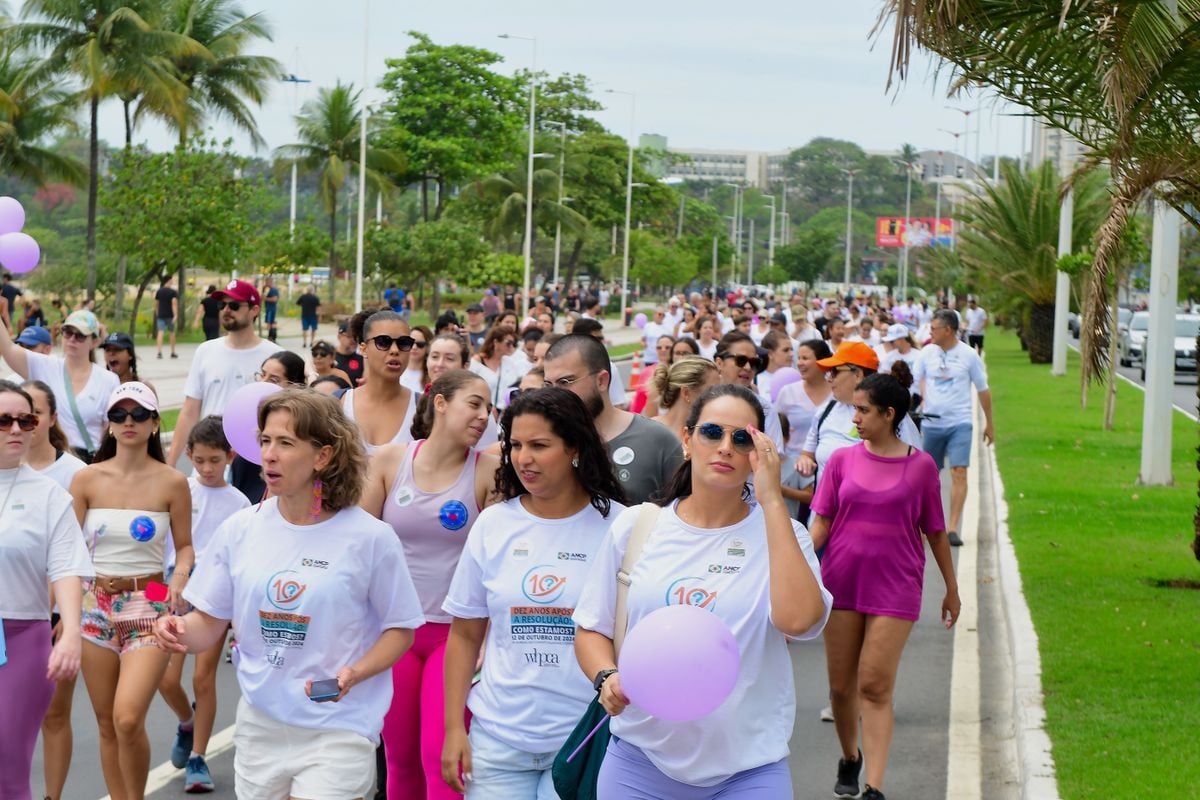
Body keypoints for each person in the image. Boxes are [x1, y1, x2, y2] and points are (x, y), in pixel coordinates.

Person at [156, 389, 424, 799]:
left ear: (323, 456)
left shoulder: (370, 538)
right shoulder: (241, 528)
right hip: (261, 723)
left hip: (338, 726)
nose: (269, 454)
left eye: (285, 443)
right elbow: (208, 623)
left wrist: (356, 672)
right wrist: (178, 629)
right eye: (265, 441)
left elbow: (399, 630)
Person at [574, 383, 832, 798]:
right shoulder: (637, 527)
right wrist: (607, 677)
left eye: (742, 438)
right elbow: (591, 628)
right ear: (688, 439)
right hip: (640, 764)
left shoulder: (785, 534)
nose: (726, 447)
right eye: (713, 432)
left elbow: (800, 622)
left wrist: (771, 502)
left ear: (758, 452)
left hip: (748, 769)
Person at [440, 388, 627, 796]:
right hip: (496, 741)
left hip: (585, 737)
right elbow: (465, 634)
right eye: (516, 445)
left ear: (574, 447)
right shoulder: (493, 525)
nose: (523, 458)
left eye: (540, 446)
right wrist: (455, 728)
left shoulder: (622, 527)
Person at [810, 373, 960, 800]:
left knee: (874, 685)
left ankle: (874, 785)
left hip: (897, 586)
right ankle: (849, 756)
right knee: (841, 687)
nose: (853, 417)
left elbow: (934, 531)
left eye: (862, 410)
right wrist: (795, 561)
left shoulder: (921, 467)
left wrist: (951, 588)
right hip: (841, 582)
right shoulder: (841, 461)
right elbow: (821, 522)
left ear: (888, 414)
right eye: (853, 408)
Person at [361, 370, 501, 799]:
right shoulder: (389, 460)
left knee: (442, 760)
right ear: (440, 403)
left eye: (488, 408)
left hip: (454, 636)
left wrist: (488, 639)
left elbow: (496, 570)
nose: (483, 416)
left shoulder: (487, 470)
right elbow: (359, 548)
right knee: (399, 761)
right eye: (473, 404)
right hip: (396, 632)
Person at [73, 382, 194, 800]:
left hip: (152, 598)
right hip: (93, 601)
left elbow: (185, 547)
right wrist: (64, 614)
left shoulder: (173, 482)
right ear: (108, 423)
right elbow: (67, 552)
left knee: (127, 718)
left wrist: (177, 581)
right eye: (120, 414)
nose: (129, 422)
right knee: (106, 723)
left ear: (154, 423)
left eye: (139, 414)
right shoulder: (86, 478)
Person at [0, 380, 92, 800]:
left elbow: (67, 565)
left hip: (22, 638)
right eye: (4, 421)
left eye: (26, 420)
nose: (17, 429)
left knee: (7, 764)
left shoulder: (49, 494)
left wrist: (70, 631)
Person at [156, 417, 249, 792]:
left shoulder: (239, 502)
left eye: (215, 460)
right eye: (199, 460)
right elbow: (164, 550)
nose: (207, 468)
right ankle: (186, 721)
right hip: (173, 594)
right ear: (189, 456)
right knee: (165, 678)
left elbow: (240, 561)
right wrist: (159, 591)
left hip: (215, 602)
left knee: (202, 678)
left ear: (230, 456)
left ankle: (197, 757)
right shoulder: (179, 491)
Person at [543, 334, 683, 504]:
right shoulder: (542, 439)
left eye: (565, 382)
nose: (555, 394)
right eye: (548, 385)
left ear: (601, 380)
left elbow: (682, 518)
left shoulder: (657, 441)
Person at [166, 280, 282, 469]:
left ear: (254, 310)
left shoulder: (275, 356)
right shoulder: (205, 351)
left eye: (234, 305)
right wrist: (170, 465)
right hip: (210, 464)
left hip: (255, 465)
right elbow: (190, 411)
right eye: (223, 305)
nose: (227, 310)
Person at [913, 309, 995, 546]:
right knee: (927, 476)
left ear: (948, 330)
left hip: (960, 423)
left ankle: (952, 527)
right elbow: (916, 381)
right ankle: (923, 523)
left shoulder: (969, 355)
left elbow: (983, 390)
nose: (930, 333)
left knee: (959, 472)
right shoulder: (926, 353)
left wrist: (989, 423)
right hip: (931, 423)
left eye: (934, 329)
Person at [0, 309, 119, 463]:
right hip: (52, 459)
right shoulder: (46, 366)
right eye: (67, 332)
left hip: (90, 461)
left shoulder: (108, 380)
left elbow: (110, 430)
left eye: (80, 335)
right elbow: (8, 348)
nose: (72, 339)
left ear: (94, 342)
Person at [229, 351, 308, 503]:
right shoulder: (244, 456)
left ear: (295, 386)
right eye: (262, 375)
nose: (262, 383)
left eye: (273, 380)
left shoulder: (302, 439)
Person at [343, 309, 418, 456]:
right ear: (363, 349)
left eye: (404, 343)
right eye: (383, 342)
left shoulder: (423, 408)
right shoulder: (339, 403)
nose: (395, 350)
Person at [648, 356, 719, 442]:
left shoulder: (711, 436)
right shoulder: (648, 431)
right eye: (712, 391)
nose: (719, 398)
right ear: (686, 393)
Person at [470, 324, 523, 412]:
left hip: (502, 412)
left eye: (513, 344)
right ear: (496, 342)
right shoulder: (477, 362)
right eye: (508, 343)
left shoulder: (510, 363)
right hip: (480, 410)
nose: (511, 347)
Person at [632, 334, 675, 416]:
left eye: (667, 347)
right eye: (659, 347)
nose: (663, 350)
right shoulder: (647, 371)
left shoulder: (678, 371)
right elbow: (639, 400)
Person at [101, 331, 156, 396]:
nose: (111, 353)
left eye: (117, 349)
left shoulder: (144, 388)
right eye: (107, 350)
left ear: (130, 355)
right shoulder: (100, 387)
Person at [756, 330, 795, 397]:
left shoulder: (797, 378)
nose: (791, 354)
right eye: (786, 350)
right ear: (770, 354)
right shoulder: (756, 380)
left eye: (791, 349)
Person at [401, 325, 434, 395]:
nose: (414, 347)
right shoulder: (396, 371)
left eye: (420, 344)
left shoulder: (432, 375)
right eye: (410, 343)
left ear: (428, 347)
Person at [154, 274, 179, 359]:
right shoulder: (173, 292)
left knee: (160, 332)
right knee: (172, 333)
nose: (172, 282)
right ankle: (172, 352)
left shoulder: (159, 291)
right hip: (170, 315)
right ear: (168, 281)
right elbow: (174, 304)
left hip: (161, 315)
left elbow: (156, 304)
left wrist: (157, 313)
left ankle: (159, 352)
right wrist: (175, 315)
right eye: (171, 280)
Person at [335, 319, 365, 386]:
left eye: (356, 336)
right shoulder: (327, 357)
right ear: (339, 337)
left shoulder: (363, 360)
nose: (354, 340)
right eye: (350, 336)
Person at [262, 277, 280, 342]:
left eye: (267, 282)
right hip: (268, 308)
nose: (266, 284)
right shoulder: (267, 289)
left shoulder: (274, 290)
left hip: (271, 309)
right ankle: (271, 337)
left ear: (270, 282)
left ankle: (272, 337)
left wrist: (265, 299)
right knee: (270, 323)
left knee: (270, 323)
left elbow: (274, 299)